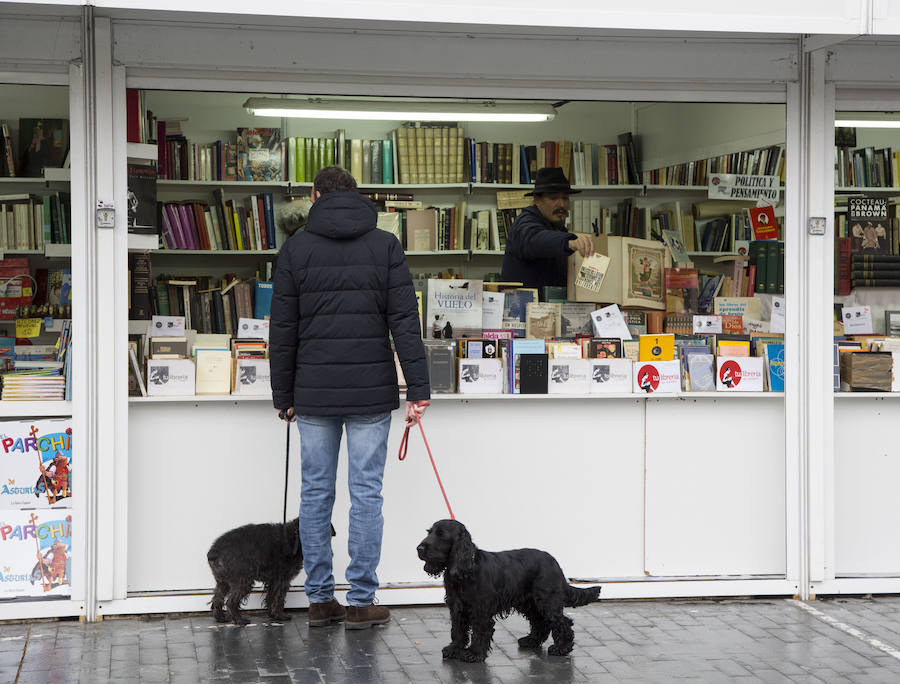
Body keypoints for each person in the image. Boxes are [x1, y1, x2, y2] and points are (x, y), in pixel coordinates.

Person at [270, 165, 431, 630]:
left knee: (316, 494)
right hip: (370, 393)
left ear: (315, 195)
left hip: (313, 393)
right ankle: (361, 599)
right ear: (356, 196)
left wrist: (284, 396)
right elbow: (405, 322)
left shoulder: (295, 248)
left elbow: (283, 331)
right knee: (366, 495)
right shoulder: (385, 245)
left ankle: (320, 600)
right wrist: (419, 390)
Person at [500, 166, 595, 294]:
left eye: (565, 198)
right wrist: (570, 242)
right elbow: (535, 239)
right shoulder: (524, 223)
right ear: (537, 200)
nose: (561, 204)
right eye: (553, 198)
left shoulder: (558, 229)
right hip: (520, 310)